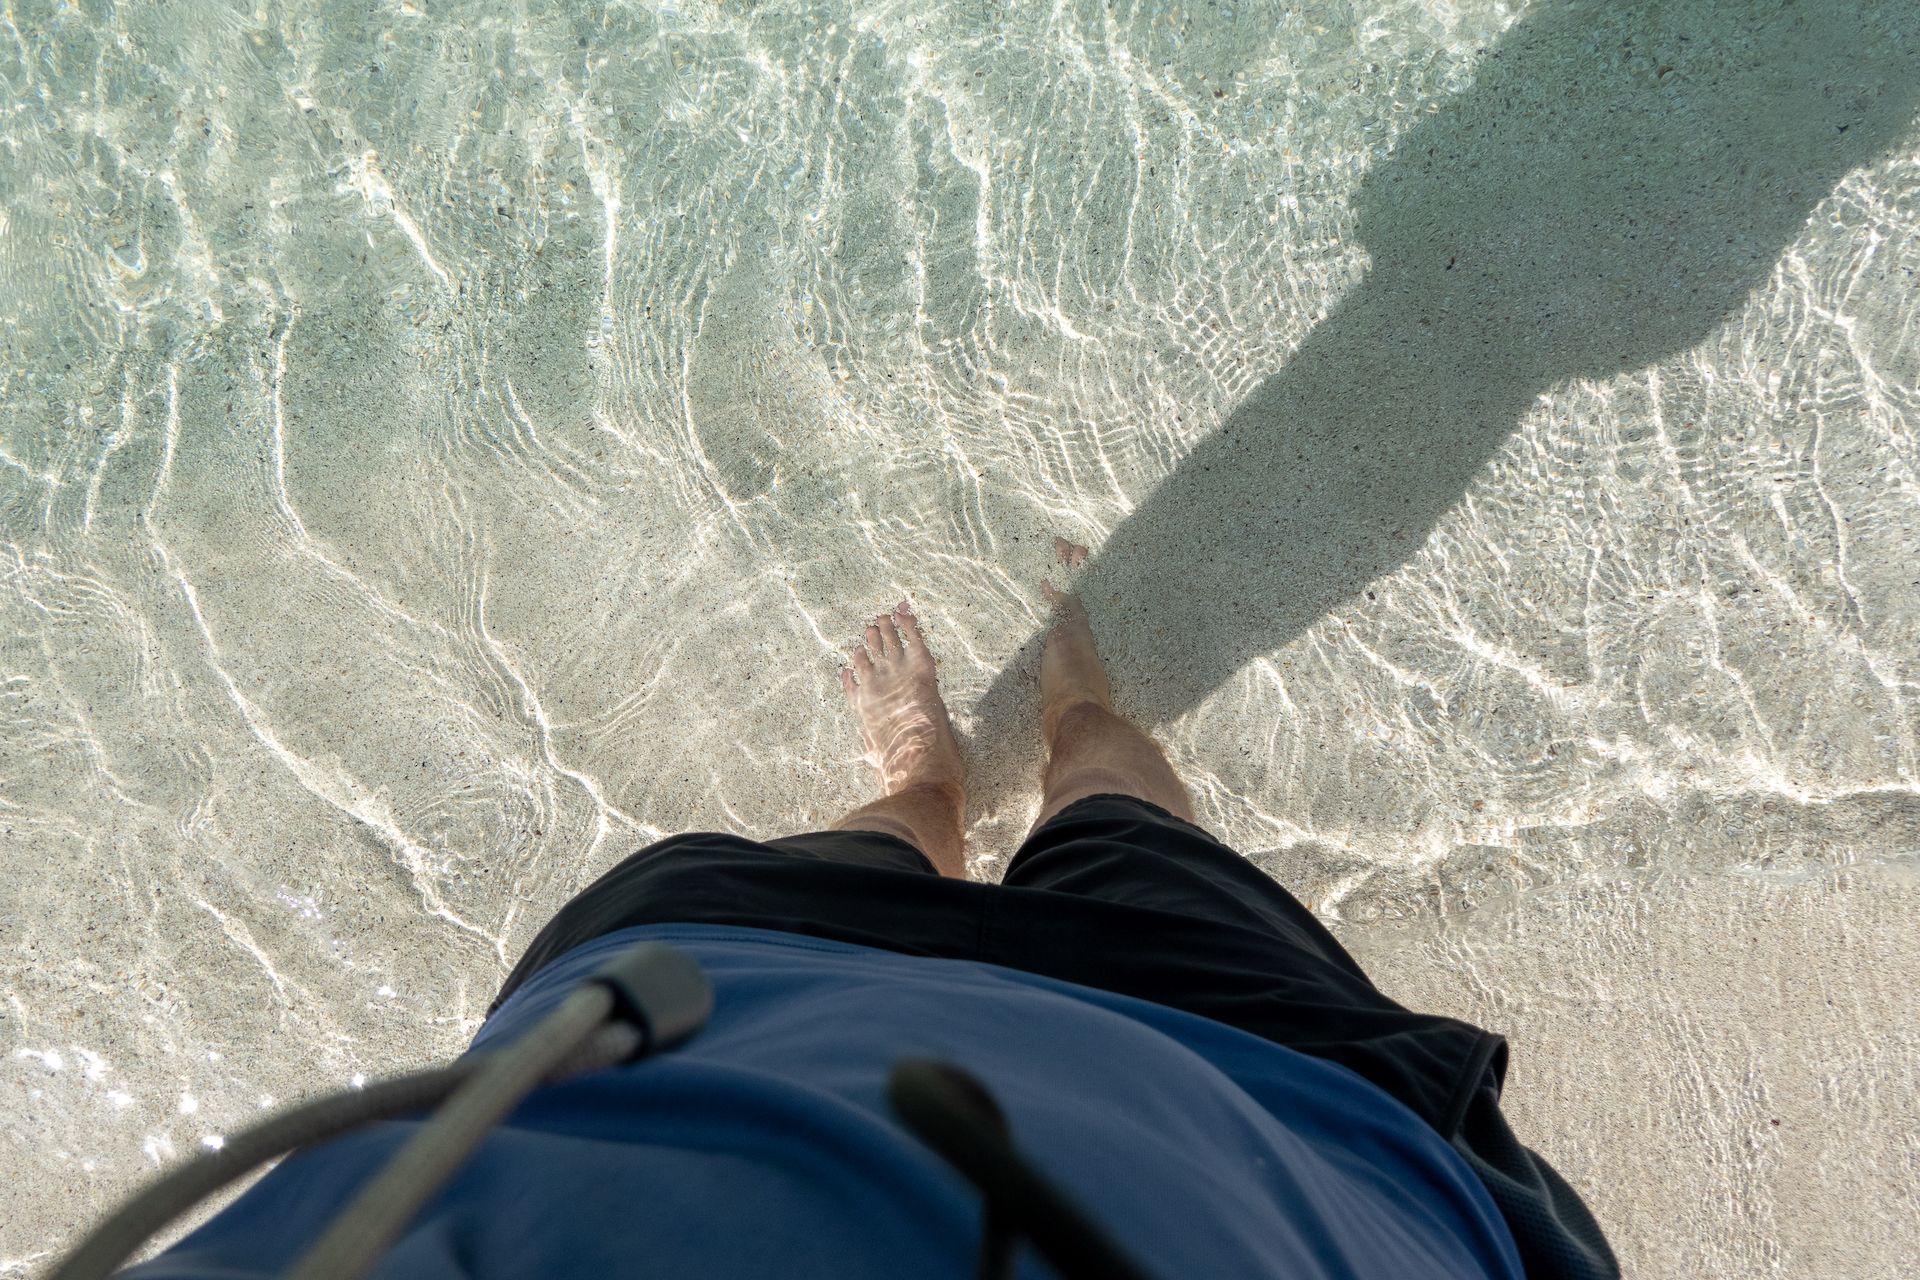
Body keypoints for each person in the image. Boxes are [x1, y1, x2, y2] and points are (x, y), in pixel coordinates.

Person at [126, 540, 1618, 1279]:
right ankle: (1071, 713)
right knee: (1116, 811)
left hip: (710, 1000)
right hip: (1257, 1082)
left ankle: (932, 780)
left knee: (891, 835)